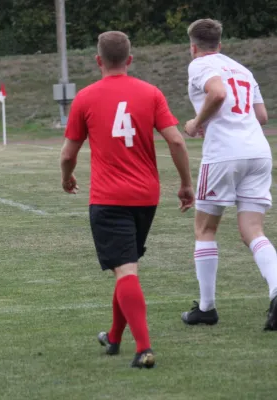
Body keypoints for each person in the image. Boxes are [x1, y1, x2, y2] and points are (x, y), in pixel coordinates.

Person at [60, 31, 194, 368]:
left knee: (126, 269)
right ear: (130, 60)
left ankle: (144, 348)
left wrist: (67, 176)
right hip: (145, 198)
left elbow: (67, 154)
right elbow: (177, 141)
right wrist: (185, 184)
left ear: (98, 60)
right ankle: (114, 337)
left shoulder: (86, 98)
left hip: (108, 199)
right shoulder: (150, 93)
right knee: (125, 267)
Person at [180, 19, 277, 331]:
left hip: (224, 153)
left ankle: (206, 308)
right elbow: (261, 115)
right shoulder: (242, 69)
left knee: (205, 229)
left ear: (194, 46)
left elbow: (218, 93)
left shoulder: (200, 64)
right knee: (253, 230)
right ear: (219, 43)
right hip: (258, 151)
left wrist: (197, 122)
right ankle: (276, 289)